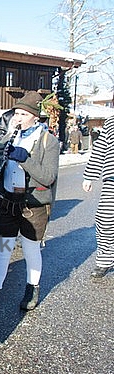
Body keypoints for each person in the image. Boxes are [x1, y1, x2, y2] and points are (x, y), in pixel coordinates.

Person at [0, 91, 60, 313]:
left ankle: (32, 288)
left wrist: (24, 159)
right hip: (7, 202)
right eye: (16, 113)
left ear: (34, 116)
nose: (17, 118)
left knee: (30, 249)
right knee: (2, 249)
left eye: (22, 114)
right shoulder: (12, 135)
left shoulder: (49, 141)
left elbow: (48, 177)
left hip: (33, 205)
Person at [82, 115, 114, 278]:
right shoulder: (111, 122)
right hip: (112, 180)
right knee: (104, 219)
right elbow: (101, 148)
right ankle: (105, 260)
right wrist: (89, 176)